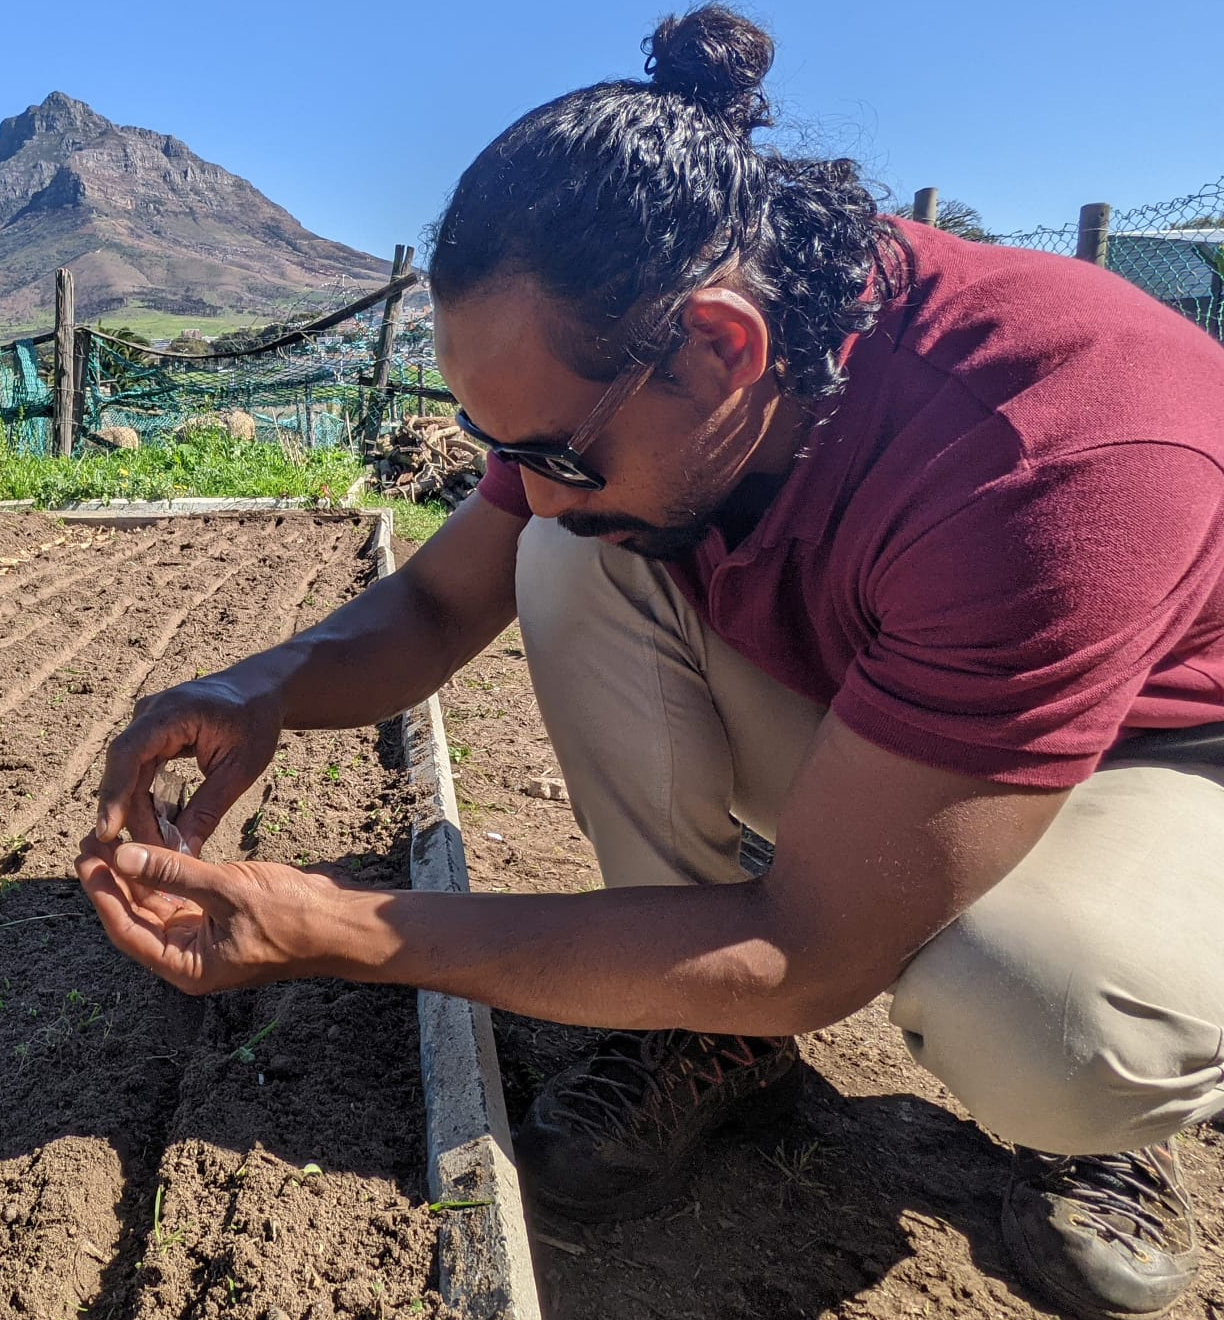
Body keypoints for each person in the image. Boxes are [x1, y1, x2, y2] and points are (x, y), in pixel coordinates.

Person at [74, 7, 1224, 1318]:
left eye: (558, 454)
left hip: (1162, 756)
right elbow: (439, 605)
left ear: (722, 347)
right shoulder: (640, 362)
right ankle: (705, 1026)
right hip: (903, 713)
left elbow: (813, 951)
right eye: (507, 451)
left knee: (1040, 1011)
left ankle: (1109, 1124)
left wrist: (342, 931)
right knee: (566, 557)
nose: (533, 490)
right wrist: (257, 689)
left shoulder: (1047, 455)